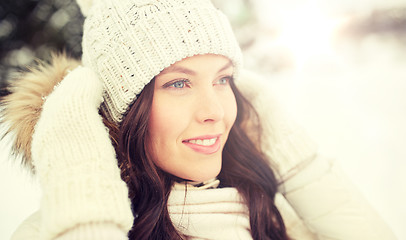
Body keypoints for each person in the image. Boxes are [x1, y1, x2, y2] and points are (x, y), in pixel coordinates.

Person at [0, 0, 397, 239]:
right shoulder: (48, 232)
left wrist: (301, 167)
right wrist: (83, 194)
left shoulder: (268, 216)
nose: (215, 111)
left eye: (222, 79)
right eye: (178, 84)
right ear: (122, 110)